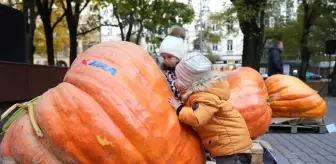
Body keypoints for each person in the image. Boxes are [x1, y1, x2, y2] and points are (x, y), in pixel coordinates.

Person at [168, 52, 253, 164]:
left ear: (189, 82)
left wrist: (179, 109)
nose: (175, 81)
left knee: (226, 162)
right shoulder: (201, 93)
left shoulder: (205, 97)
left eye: (178, 78)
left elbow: (198, 118)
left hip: (227, 140)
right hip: (227, 138)